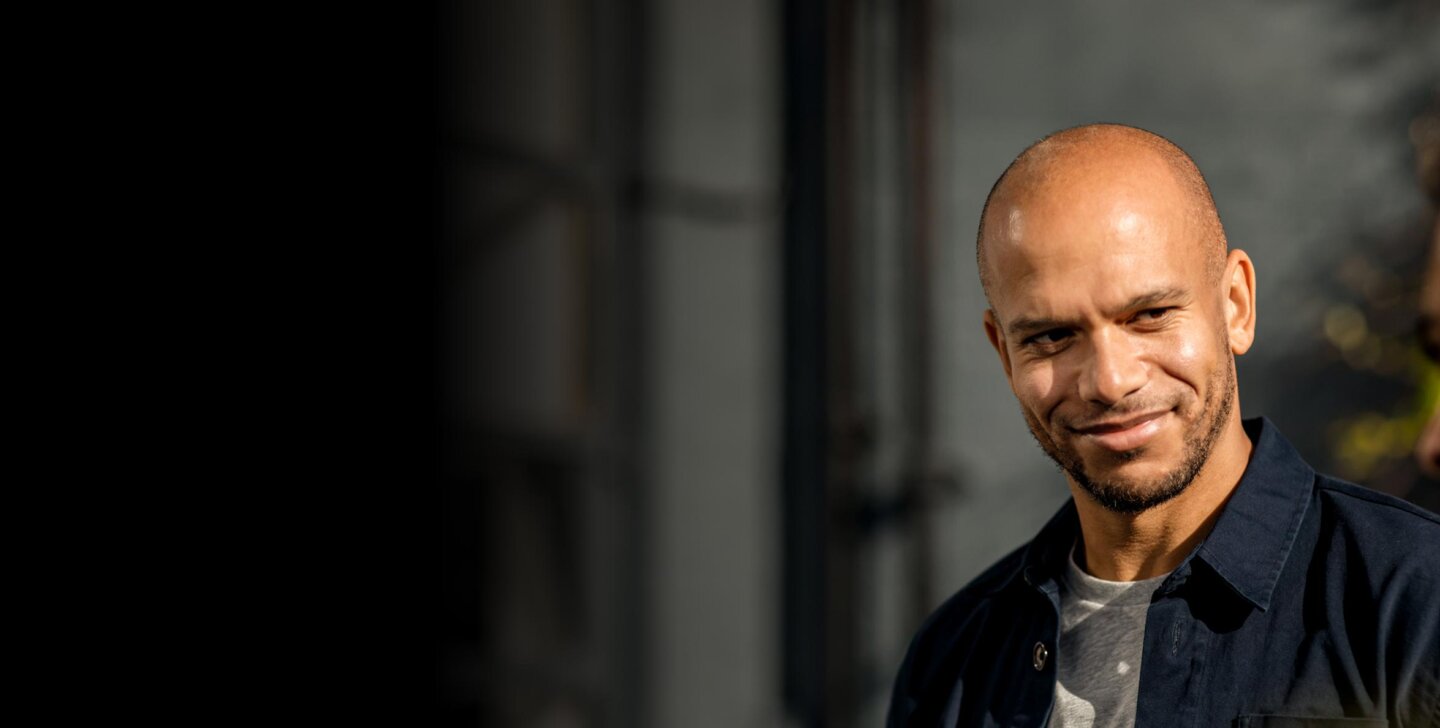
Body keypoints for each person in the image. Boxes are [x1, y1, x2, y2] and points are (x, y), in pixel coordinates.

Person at [888, 124, 1440, 727]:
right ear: (1004, 353)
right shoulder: (951, 664)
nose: (1110, 380)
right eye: (1051, 336)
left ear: (1236, 305)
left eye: (1149, 315)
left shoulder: (1413, 601)